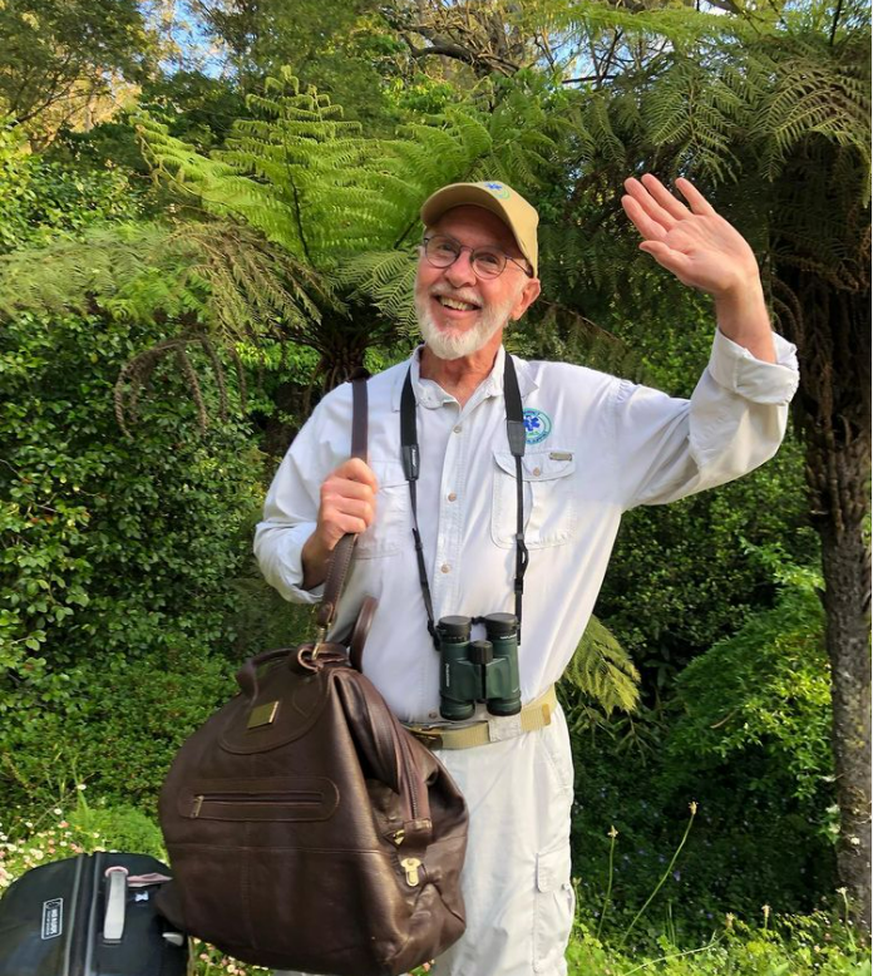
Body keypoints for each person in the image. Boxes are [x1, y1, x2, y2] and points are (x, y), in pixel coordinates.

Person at [254, 175, 799, 976]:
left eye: (489, 258)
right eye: (445, 249)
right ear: (420, 265)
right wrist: (314, 545)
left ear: (524, 292)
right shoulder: (351, 414)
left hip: (508, 768)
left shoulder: (581, 410)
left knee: (503, 964)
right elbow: (275, 539)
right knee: (339, 959)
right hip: (360, 759)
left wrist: (739, 298)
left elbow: (721, 441)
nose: (459, 274)